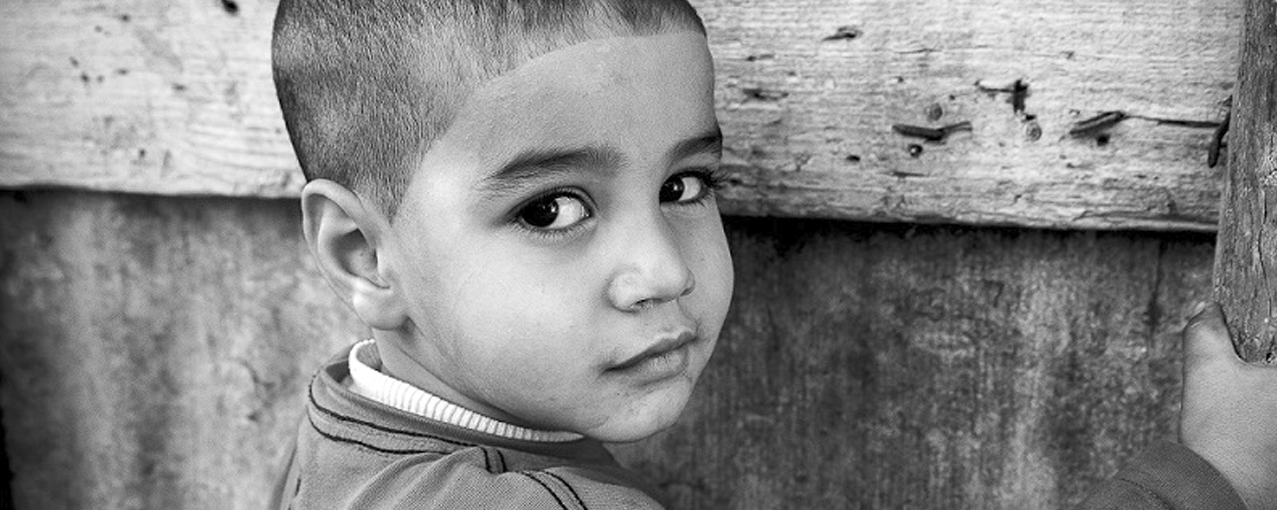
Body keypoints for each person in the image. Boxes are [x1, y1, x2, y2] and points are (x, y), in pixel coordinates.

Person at [268, 0, 1277, 508]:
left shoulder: (342, 446)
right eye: (551, 209)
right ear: (364, 251)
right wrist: (1215, 474)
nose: (662, 270)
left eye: (683, 187)